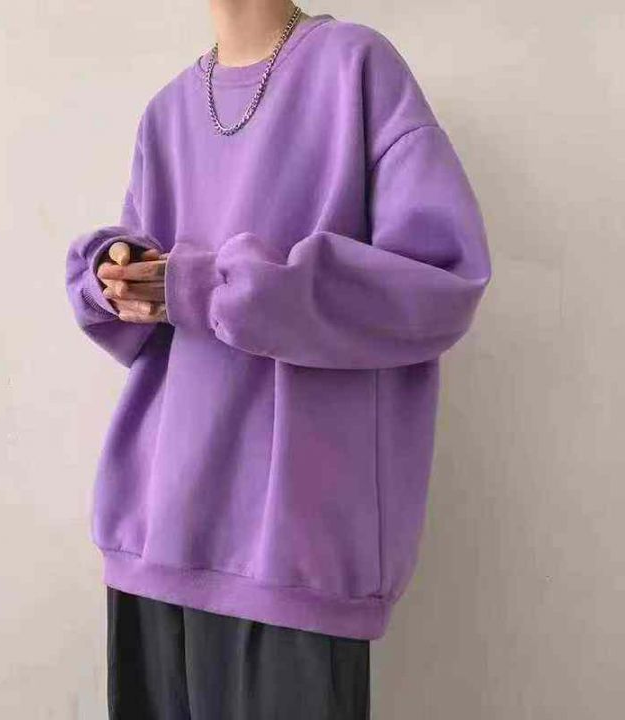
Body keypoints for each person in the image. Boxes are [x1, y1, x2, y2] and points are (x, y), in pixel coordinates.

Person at [64, 2, 492, 717]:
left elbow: (440, 283)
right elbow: (151, 328)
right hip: (152, 541)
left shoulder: (355, 68)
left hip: (293, 558)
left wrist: (213, 289)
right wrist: (120, 280)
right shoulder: (166, 112)